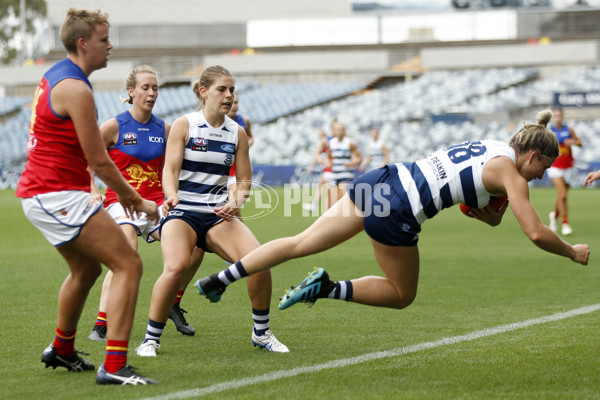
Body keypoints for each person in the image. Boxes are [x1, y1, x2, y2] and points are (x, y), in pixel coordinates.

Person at [195, 110, 589, 318]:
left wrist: (485, 212)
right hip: (400, 206)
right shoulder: (512, 175)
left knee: (300, 242)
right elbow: (535, 232)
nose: (541, 177)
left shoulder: (493, 147)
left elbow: (484, 210)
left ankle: (219, 279)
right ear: (534, 155)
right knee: (402, 295)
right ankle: (327, 289)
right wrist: (572, 252)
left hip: (384, 177)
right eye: (544, 168)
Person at [15, 9, 157, 385]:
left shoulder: (60, 76)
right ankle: (114, 366)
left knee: (87, 269)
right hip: (55, 193)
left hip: (48, 192)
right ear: (84, 43)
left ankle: (61, 350)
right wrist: (136, 201)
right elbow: (100, 160)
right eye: (104, 39)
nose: (110, 46)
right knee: (129, 264)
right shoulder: (76, 89)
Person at [135, 65, 288, 357]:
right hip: (182, 214)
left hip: (218, 216)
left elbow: (244, 180)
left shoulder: (237, 133)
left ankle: (262, 333)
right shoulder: (185, 124)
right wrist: (170, 196)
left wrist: (236, 201)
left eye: (232, 90)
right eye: (222, 89)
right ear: (204, 93)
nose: (229, 95)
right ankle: (150, 339)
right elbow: (170, 169)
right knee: (176, 268)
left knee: (260, 263)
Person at [87, 65, 202, 342]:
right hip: (122, 203)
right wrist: (92, 190)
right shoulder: (114, 126)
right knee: (127, 254)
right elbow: (87, 159)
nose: (151, 93)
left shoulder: (165, 128)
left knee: (195, 247)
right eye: (145, 88)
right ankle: (102, 323)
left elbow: (180, 166)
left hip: (157, 206)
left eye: (155, 88)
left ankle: (173, 303)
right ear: (131, 91)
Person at [547, 107, 582, 236]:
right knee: (562, 195)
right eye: (555, 116)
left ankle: (554, 215)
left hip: (568, 166)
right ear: (553, 118)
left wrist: (572, 142)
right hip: (555, 166)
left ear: (562, 117)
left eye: (559, 115)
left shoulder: (569, 129)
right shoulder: (549, 131)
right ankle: (565, 223)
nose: (557, 118)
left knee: (562, 195)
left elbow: (580, 143)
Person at [226, 92, 253, 220]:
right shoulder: (218, 121)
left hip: (236, 172)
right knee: (224, 210)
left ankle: (240, 238)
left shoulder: (244, 120)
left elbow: (251, 138)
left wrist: (244, 147)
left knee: (234, 207)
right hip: (221, 171)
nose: (234, 106)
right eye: (232, 103)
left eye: (236, 102)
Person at [327, 121, 362, 209]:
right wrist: (329, 162)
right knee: (331, 202)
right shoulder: (331, 143)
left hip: (346, 174)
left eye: (341, 130)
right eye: (338, 130)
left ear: (344, 131)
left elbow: (359, 157)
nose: (340, 132)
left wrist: (351, 163)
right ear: (334, 131)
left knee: (341, 198)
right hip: (335, 174)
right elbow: (328, 155)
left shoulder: (350, 143)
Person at [302, 128, 333, 213]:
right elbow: (317, 155)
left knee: (327, 187)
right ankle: (315, 205)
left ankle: (324, 209)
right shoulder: (326, 142)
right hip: (326, 167)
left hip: (330, 168)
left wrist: (312, 165)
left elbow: (318, 155)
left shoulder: (326, 142)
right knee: (322, 185)